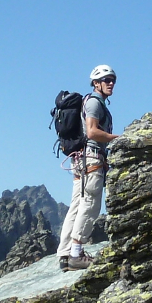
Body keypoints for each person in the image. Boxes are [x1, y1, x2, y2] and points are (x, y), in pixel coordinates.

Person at [56, 65, 119, 266]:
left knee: (76, 205)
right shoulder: (94, 103)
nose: (111, 83)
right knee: (90, 204)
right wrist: (117, 138)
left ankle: (65, 254)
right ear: (96, 83)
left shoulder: (89, 102)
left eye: (113, 80)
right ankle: (76, 253)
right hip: (91, 159)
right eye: (106, 80)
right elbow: (92, 132)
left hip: (81, 160)